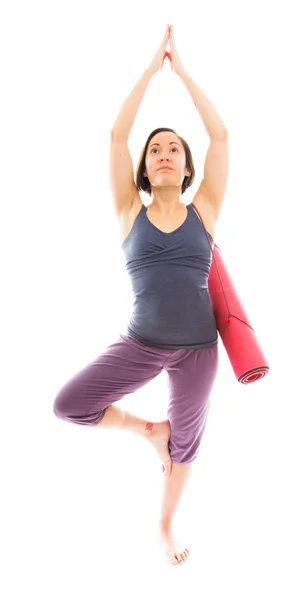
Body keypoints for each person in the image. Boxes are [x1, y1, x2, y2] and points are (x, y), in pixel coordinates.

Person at [53, 24, 229, 567]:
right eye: (156, 149)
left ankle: (165, 523)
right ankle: (148, 430)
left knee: (189, 447)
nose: (166, 154)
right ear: (146, 168)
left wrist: (188, 77)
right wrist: (153, 73)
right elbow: (115, 137)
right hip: (142, 343)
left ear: (187, 165)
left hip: (200, 348)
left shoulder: (206, 209)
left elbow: (220, 138)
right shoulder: (131, 210)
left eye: (175, 148)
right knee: (71, 405)